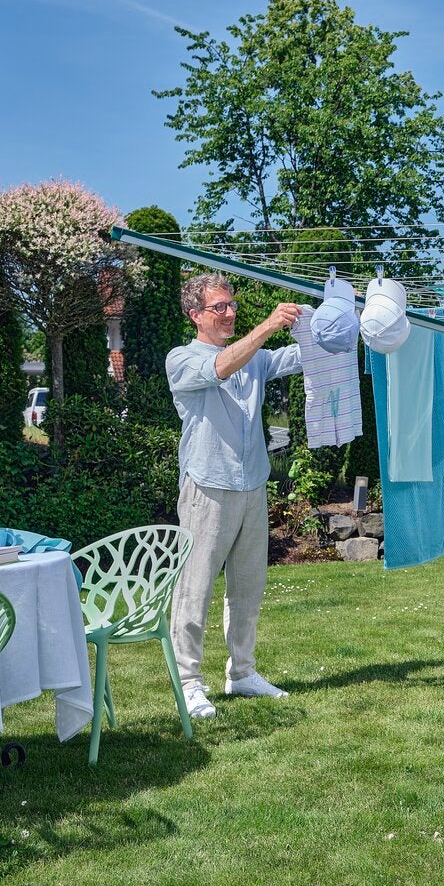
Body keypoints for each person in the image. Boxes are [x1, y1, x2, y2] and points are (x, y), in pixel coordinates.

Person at [165, 274, 307, 716]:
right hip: (207, 486)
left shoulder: (255, 359)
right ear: (196, 315)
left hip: (252, 486)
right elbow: (220, 367)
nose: (229, 313)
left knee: (248, 587)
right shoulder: (182, 359)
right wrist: (267, 325)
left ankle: (241, 673)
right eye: (219, 308)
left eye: (231, 305)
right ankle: (188, 682)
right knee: (195, 588)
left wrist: (347, 325)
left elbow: (301, 356)